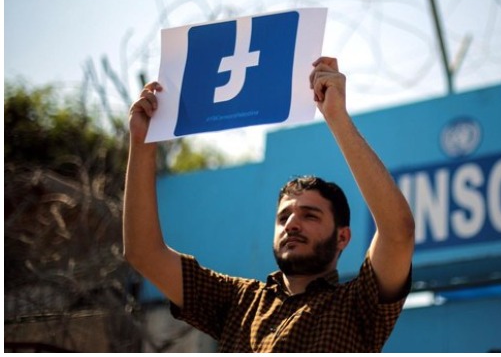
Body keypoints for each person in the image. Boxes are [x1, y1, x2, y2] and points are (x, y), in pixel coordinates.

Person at [123, 56, 415, 352]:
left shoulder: (358, 306)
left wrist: (336, 115)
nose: (291, 224)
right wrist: (141, 145)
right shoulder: (239, 301)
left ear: (342, 236)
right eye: (283, 216)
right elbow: (144, 253)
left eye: (310, 215)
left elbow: (398, 231)